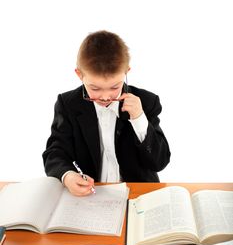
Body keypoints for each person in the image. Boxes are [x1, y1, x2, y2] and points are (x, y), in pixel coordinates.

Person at [42, 30, 171, 196]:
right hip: (91, 196)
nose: (105, 96)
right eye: (95, 88)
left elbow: (159, 162)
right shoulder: (68, 104)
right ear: (79, 75)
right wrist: (67, 176)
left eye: (115, 87)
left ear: (126, 72)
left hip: (137, 195)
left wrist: (139, 119)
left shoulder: (146, 102)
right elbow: (55, 152)